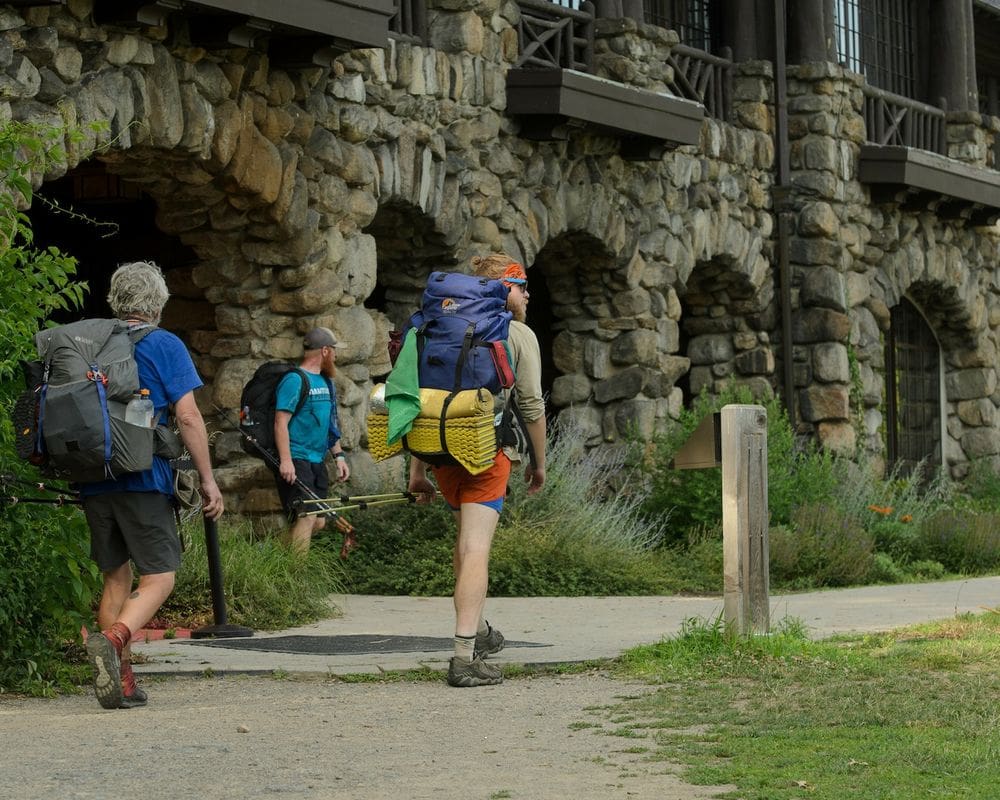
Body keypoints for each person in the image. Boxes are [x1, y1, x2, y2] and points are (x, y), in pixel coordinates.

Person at [81, 261, 224, 710]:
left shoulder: (89, 343)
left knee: (115, 578)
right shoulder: (165, 344)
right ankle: (115, 639)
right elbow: (187, 417)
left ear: (115, 300)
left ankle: (120, 681)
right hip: (144, 477)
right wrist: (208, 480)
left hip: (94, 477)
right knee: (160, 576)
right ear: (158, 303)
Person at [408, 254, 547, 687]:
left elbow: (421, 401)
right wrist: (540, 463)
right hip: (488, 454)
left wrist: (418, 470)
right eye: (522, 285)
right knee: (476, 549)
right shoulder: (516, 333)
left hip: (441, 454)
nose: (527, 294)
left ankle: (481, 632)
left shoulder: (435, 327)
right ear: (506, 287)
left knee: (464, 547)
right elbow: (531, 405)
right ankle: (464, 656)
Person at [273, 326, 350, 554]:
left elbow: (329, 425)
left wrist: (339, 456)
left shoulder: (326, 382)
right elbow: (280, 422)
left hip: (317, 459)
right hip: (297, 457)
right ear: (325, 351)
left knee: (318, 521)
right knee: (307, 517)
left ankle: (272, 557)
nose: (336, 355)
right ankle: (297, 580)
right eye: (334, 350)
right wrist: (286, 461)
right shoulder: (295, 380)